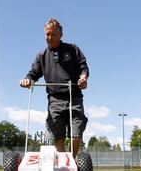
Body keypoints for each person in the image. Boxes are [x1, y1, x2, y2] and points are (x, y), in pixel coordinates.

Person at [19, 18, 89, 158]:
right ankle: (65, 165)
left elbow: (83, 67)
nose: (49, 37)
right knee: (58, 137)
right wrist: (27, 80)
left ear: (60, 35)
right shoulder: (41, 55)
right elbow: (33, 73)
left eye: (53, 34)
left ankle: (72, 162)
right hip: (55, 100)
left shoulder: (73, 49)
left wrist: (83, 77)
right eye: (47, 34)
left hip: (73, 97)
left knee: (76, 135)